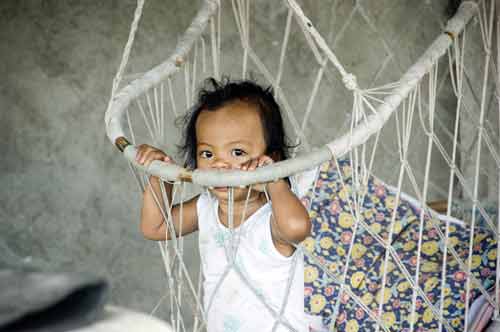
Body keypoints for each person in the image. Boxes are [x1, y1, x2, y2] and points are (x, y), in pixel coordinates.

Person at [136, 77, 311, 332]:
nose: (219, 164)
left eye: (237, 152)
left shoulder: (272, 217)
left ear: (271, 158)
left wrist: (275, 180)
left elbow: (297, 228)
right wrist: (161, 177)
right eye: (207, 153)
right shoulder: (206, 207)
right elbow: (156, 227)